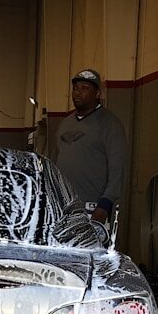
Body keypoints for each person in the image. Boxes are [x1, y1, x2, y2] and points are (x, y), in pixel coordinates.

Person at [52, 68, 128, 224]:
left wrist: (105, 204)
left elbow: (118, 169)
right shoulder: (65, 123)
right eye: (75, 88)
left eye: (85, 88)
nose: (78, 93)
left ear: (97, 94)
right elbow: (53, 163)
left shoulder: (109, 124)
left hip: (92, 210)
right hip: (61, 208)